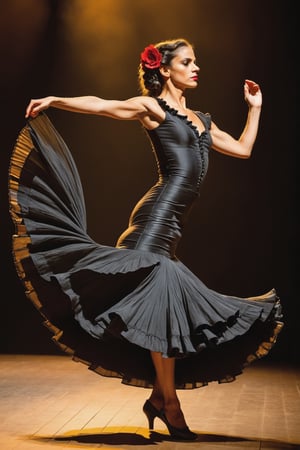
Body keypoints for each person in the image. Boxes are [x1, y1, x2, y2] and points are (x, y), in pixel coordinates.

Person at [9, 38, 283, 441]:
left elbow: (242, 150)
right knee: (164, 301)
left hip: (171, 228)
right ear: (165, 69)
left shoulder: (202, 120)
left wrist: (254, 109)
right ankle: (169, 404)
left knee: (164, 309)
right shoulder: (152, 108)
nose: (196, 68)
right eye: (188, 62)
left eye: (196, 62)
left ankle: (159, 398)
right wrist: (55, 98)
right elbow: (102, 105)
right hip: (152, 221)